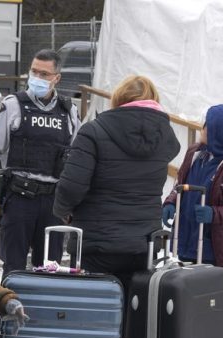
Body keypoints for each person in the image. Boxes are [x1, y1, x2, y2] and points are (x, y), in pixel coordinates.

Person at [53, 75, 180, 288]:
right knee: (136, 309)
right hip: (144, 242)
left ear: (119, 98)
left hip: (98, 241)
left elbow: (72, 186)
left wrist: (62, 210)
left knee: (98, 308)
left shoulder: (93, 131)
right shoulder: (164, 137)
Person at [0, 49, 81, 277]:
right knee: (12, 267)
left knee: (51, 269)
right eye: (34, 71)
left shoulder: (69, 111)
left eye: (44, 74)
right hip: (19, 199)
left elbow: (78, 159)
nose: (37, 78)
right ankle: (8, 311)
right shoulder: (13, 105)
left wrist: (74, 200)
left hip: (53, 202)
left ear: (57, 78)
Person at [161, 103, 223, 267]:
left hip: (213, 246)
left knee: (207, 289)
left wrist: (214, 214)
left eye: (208, 125)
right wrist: (171, 201)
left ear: (220, 132)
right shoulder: (194, 153)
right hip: (186, 238)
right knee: (184, 287)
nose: (202, 127)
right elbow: (181, 183)